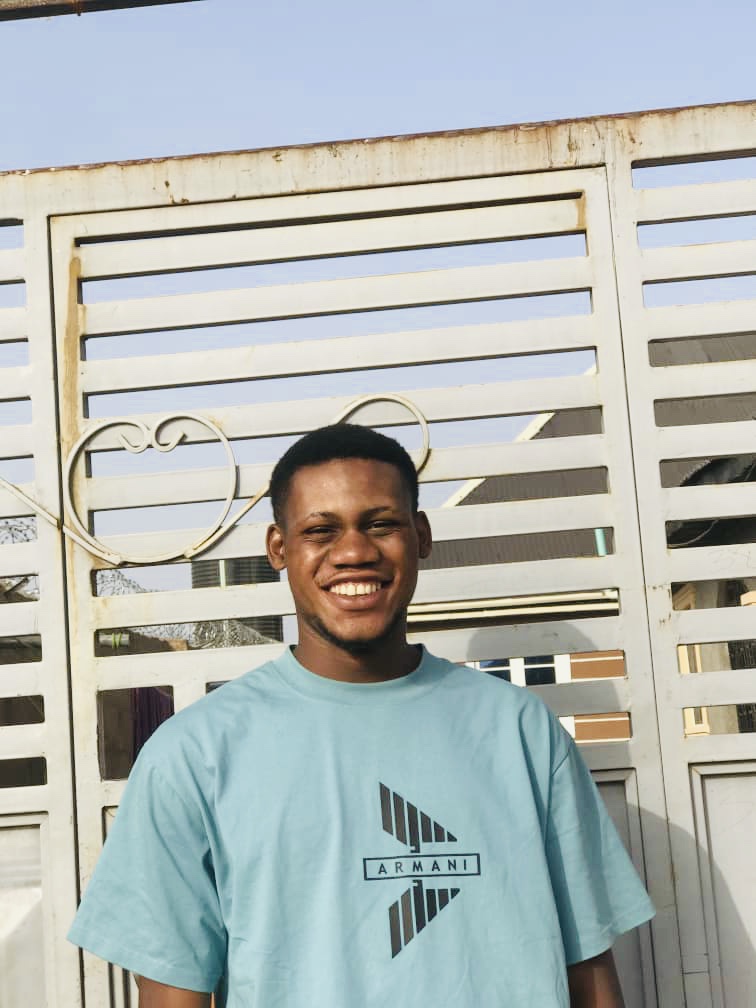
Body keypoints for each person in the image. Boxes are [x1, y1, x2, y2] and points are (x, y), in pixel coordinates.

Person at [69, 423, 654, 1007]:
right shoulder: (194, 754)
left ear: (420, 536)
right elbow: (172, 991)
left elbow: (590, 969)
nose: (353, 552)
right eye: (320, 530)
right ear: (278, 549)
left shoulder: (521, 732)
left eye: (380, 524)